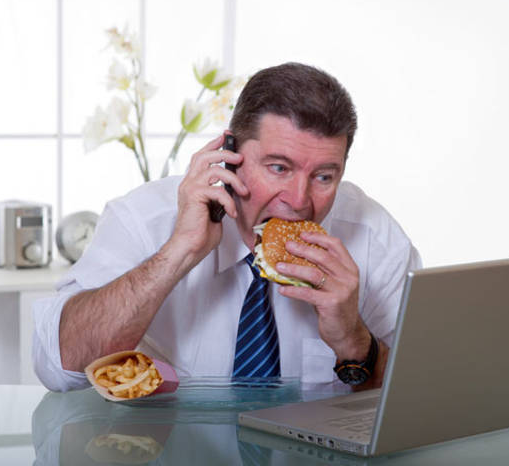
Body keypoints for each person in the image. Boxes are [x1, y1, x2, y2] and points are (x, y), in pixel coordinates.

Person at [33, 62, 421, 392]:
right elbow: (60, 366)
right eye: (278, 168)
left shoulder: (373, 237)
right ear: (229, 155)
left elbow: (427, 398)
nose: (300, 200)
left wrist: (355, 341)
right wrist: (178, 252)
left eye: (324, 176)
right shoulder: (145, 217)